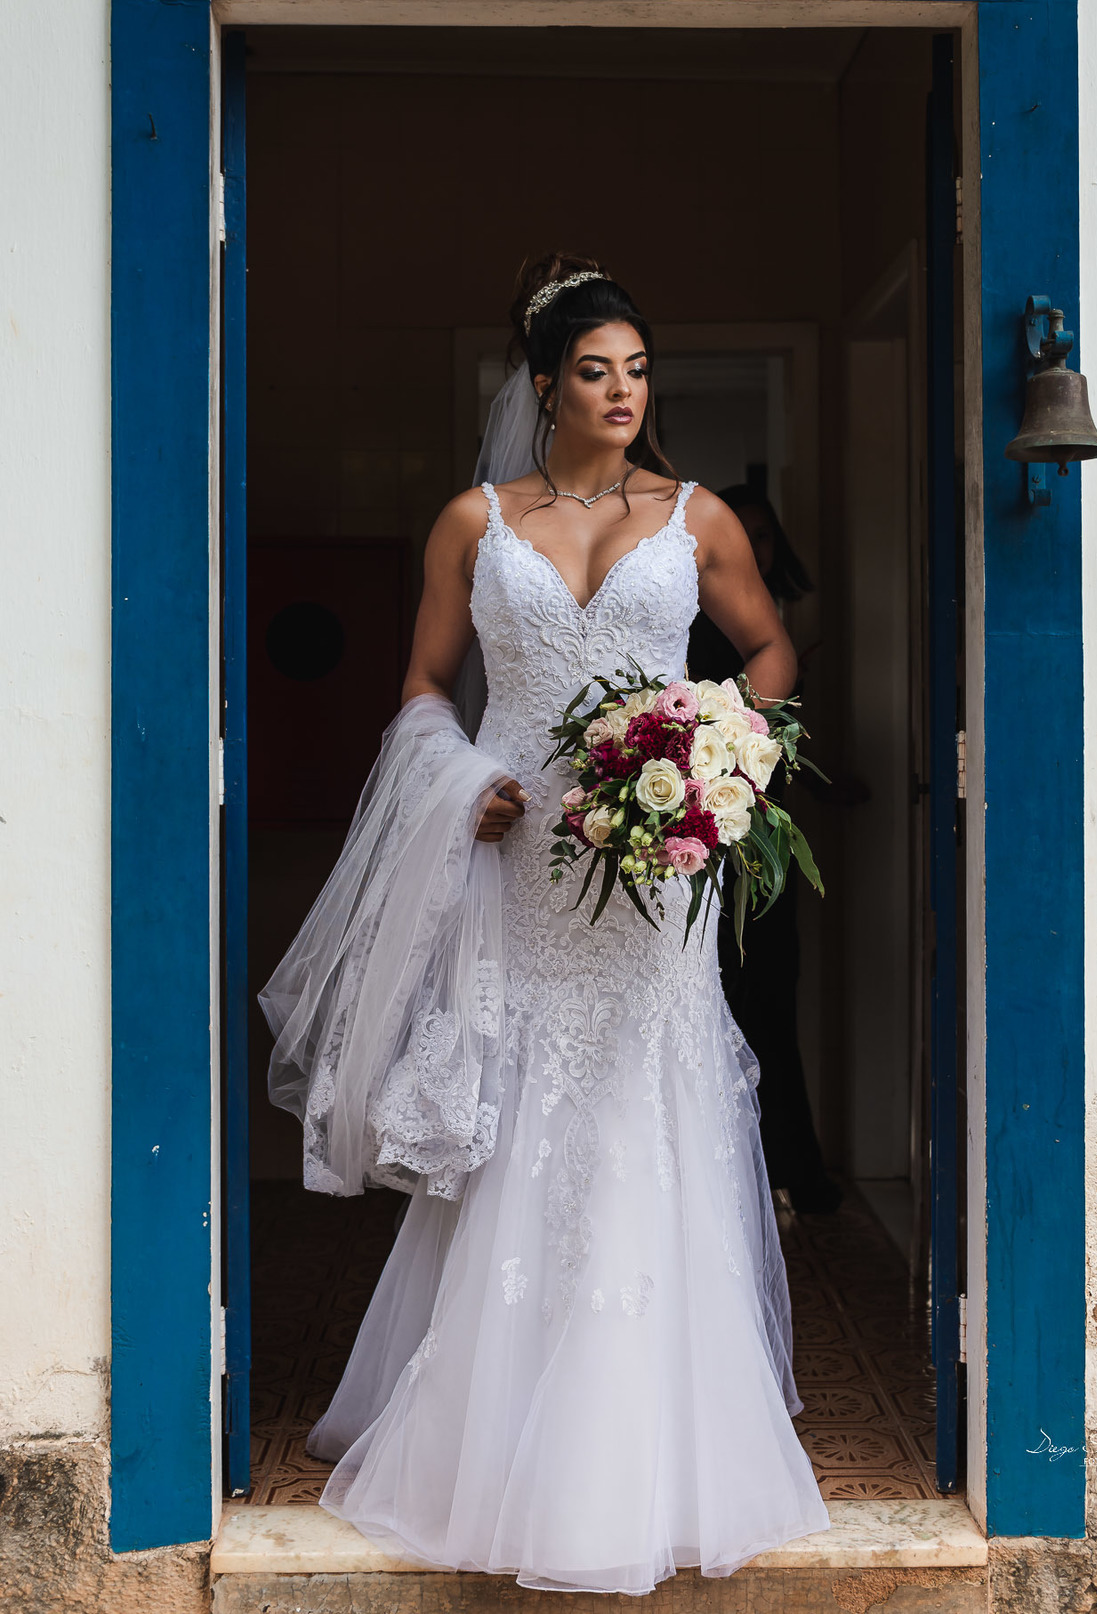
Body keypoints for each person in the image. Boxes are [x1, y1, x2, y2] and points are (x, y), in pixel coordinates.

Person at [259, 253, 829, 1594]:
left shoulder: (700, 517)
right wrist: (466, 787)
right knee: (519, 1113)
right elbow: (420, 683)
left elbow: (772, 650)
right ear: (543, 384)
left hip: (654, 872)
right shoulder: (473, 521)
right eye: (595, 370)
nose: (623, 391)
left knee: (643, 1106)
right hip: (522, 868)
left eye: (638, 369)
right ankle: (493, 1427)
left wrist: (717, 751)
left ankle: (652, 1439)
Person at [688, 489, 841, 1215]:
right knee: (733, 1001)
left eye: (763, 535)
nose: (755, 545)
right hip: (712, 837)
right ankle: (752, 1176)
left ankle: (789, 1169)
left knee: (771, 1004)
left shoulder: (779, 628)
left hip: (763, 837)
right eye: (742, 534)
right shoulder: (701, 626)